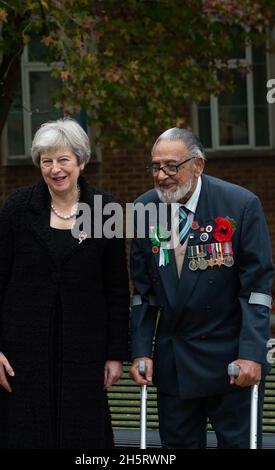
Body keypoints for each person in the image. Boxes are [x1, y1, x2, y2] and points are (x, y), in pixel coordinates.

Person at [0, 118, 130, 449]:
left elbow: (117, 289)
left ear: (81, 161)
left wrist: (116, 353)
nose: (55, 169)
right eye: (46, 161)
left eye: (63, 159)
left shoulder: (105, 210)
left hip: (84, 354)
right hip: (22, 355)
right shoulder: (18, 208)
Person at [129, 127, 274, 449]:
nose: (162, 175)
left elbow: (257, 289)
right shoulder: (144, 209)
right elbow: (143, 293)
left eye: (172, 166)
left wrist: (252, 354)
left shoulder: (239, 205)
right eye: (155, 166)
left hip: (232, 364)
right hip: (174, 364)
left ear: (198, 165)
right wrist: (141, 350)